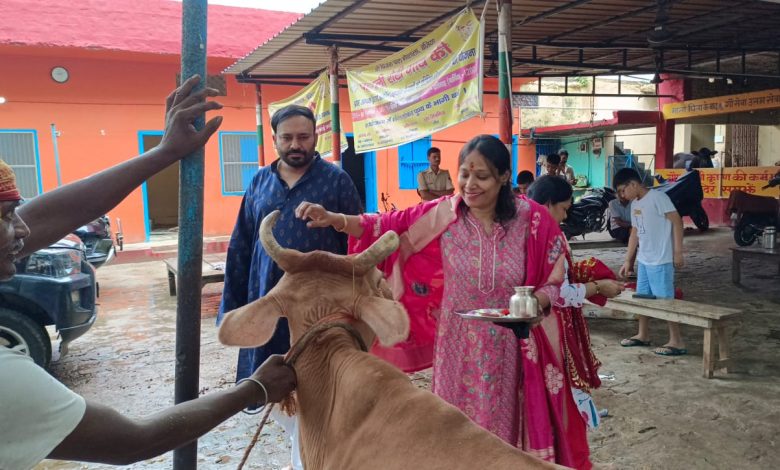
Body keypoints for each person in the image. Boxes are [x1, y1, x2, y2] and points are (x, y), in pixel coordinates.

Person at [0, 76, 297, 470]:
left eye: (304, 136)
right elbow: (131, 441)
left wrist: (164, 153)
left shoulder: (334, 180)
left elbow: (45, 218)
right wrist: (253, 390)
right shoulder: (7, 378)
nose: (21, 228)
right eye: (6, 217)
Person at [296, 135, 592, 468]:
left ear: (504, 177)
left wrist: (534, 302)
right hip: (455, 347)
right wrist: (335, 219)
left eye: (481, 176)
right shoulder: (443, 215)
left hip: (510, 347)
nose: (470, 184)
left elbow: (555, 279)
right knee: (452, 431)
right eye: (464, 173)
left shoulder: (533, 221)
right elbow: (383, 225)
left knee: (502, 440)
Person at [217, 104, 362, 470]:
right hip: (270, 302)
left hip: (321, 310)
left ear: (316, 137)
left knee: (323, 387)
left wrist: (358, 304)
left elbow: (357, 241)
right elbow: (241, 245)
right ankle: (303, 455)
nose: (295, 144)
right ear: (274, 139)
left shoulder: (336, 181)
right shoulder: (259, 183)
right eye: (287, 137)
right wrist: (232, 310)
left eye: (303, 136)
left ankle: (310, 458)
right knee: (275, 384)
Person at [528, 176, 624, 424]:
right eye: (563, 209)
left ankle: (581, 414)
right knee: (563, 373)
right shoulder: (550, 238)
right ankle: (583, 418)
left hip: (535, 320)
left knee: (553, 376)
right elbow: (561, 293)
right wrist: (598, 286)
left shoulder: (525, 232)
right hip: (551, 321)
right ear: (548, 204)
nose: (564, 217)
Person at [615, 168, 687, 356]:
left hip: (661, 259)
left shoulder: (658, 198)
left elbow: (677, 222)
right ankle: (643, 334)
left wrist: (678, 252)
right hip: (645, 260)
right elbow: (635, 233)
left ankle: (676, 340)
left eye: (623, 190)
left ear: (633, 184)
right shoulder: (634, 205)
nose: (623, 195)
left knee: (665, 300)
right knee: (643, 298)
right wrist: (628, 260)